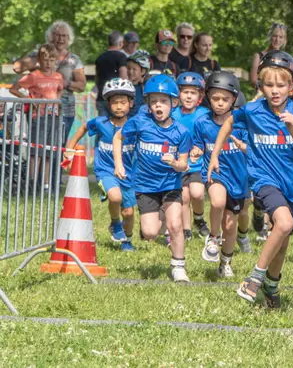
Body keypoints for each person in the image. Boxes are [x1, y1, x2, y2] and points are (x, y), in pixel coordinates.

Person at [210, 51, 293, 308]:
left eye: (280, 85)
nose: (274, 91)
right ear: (260, 85)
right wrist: (214, 155)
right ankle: (254, 277)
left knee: (283, 239)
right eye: (268, 85)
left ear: (291, 86)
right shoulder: (253, 110)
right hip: (264, 179)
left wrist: (292, 128)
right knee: (284, 221)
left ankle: (271, 285)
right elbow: (228, 124)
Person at [113, 74, 192, 282]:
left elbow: (184, 164)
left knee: (176, 225)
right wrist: (119, 164)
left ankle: (178, 267)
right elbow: (117, 137)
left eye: (164, 101)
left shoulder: (182, 132)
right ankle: (161, 218)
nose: (158, 106)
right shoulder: (140, 122)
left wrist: (175, 164)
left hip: (170, 184)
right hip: (145, 186)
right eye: (154, 101)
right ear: (148, 103)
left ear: (174, 103)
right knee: (150, 233)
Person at [66, 78, 136, 251]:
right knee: (115, 197)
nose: (119, 107)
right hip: (105, 170)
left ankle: (127, 240)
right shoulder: (101, 122)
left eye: (123, 102)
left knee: (129, 212)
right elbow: (82, 128)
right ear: (108, 104)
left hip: (128, 174)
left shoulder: (135, 125)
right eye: (114, 103)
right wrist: (69, 147)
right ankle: (115, 223)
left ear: (131, 103)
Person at [192, 71, 249, 277]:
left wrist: (242, 146)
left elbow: (252, 149)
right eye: (215, 98)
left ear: (234, 99)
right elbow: (197, 144)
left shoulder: (242, 123)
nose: (220, 103)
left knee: (231, 224)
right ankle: (213, 238)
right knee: (216, 202)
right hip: (215, 172)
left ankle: (226, 261)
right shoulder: (202, 122)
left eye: (225, 99)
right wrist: (196, 151)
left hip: (238, 178)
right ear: (208, 97)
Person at [12, 21, 86, 141]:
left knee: (58, 146)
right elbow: (16, 67)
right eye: (57, 35)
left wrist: (66, 83)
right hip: (38, 110)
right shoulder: (39, 54)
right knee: (37, 147)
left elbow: (82, 86)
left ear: (69, 38)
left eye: (64, 36)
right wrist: (39, 59)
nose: (60, 39)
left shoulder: (74, 60)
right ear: (50, 37)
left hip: (64, 109)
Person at [10, 43, 64, 189]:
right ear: (39, 60)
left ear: (55, 60)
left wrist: (58, 103)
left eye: (51, 60)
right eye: (45, 59)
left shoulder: (58, 76)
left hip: (53, 116)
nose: (48, 63)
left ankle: (45, 184)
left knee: (48, 152)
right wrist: (28, 99)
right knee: (36, 152)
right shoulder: (33, 76)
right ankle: (31, 183)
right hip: (38, 117)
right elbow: (14, 89)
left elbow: (59, 91)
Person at [172, 73, 210, 241]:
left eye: (193, 93)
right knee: (184, 196)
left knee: (198, 193)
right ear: (178, 94)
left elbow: (209, 136)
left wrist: (201, 149)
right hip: (179, 163)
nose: (188, 96)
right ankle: (186, 230)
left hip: (196, 163)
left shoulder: (205, 114)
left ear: (200, 95)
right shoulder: (173, 114)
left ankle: (199, 219)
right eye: (185, 92)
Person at [95, 31, 129, 117]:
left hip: (101, 97)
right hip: (117, 99)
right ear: (121, 43)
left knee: (103, 126)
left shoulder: (100, 57)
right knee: (117, 125)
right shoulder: (121, 56)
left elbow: (96, 79)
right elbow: (123, 77)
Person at [250, 23, 288, 87]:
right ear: (270, 37)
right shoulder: (258, 56)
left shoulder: (286, 58)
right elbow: (253, 80)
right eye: (275, 36)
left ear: (284, 40)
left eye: (281, 37)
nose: (277, 40)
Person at [126, 51, 151, 116]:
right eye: (128, 68)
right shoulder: (125, 87)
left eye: (134, 69)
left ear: (143, 71)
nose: (130, 72)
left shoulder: (145, 88)